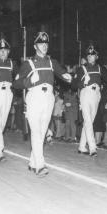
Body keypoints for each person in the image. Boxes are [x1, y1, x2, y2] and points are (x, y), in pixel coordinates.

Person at [13, 31, 72, 177]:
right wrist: (29, 81)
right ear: (35, 46)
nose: (44, 46)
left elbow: (63, 73)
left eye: (46, 44)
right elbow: (16, 83)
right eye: (41, 43)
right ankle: (40, 165)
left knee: (42, 131)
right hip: (35, 97)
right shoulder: (29, 63)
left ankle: (33, 162)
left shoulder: (52, 62)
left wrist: (68, 77)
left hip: (49, 98)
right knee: (36, 131)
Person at [73, 44, 107, 157]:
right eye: (88, 55)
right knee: (88, 121)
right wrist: (83, 83)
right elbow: (74, 85)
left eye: (92, 55)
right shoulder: (81, 69)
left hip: (96, 95)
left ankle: (81, 146)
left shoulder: (99, 68)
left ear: (96, 56)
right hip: (85, 94)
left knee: (89, 122)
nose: (90, 57)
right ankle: (93, 147)